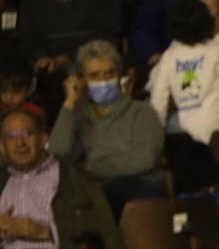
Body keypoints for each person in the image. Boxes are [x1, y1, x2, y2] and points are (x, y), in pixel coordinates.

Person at [0, 107, 130, 249]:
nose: (20, 143)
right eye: (11, 137)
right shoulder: (3, 182)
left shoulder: (71, 176)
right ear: (2, 146)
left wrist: (43, 231)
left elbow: (98, 224)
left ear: (44, 138)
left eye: (27, 133)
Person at [49, 39, 166, 220]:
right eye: (94, 76)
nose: (103, 81)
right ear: (81, 80)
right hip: (95, 192)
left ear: (119, 75)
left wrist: (91, 167)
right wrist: (70, 103)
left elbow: (144, 160)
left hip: (140, 187)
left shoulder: (142, 112)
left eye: (109, 74)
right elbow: (58, 152)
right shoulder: (77, 118)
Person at [148, 0, 219, 144]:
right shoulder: (215, 51)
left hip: (183, 133)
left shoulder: (169, 56)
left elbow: (158, 99)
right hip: (217, 130)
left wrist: (157, 132)